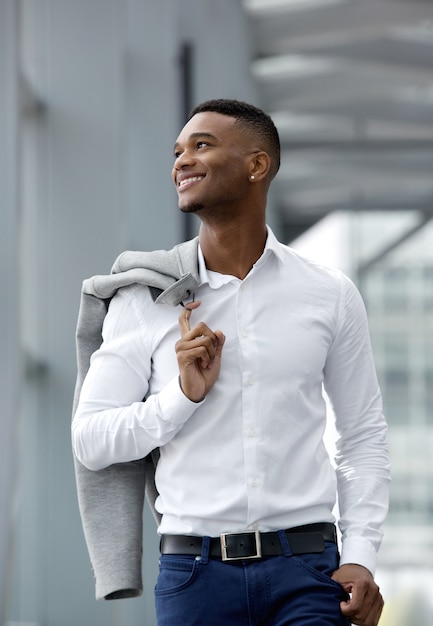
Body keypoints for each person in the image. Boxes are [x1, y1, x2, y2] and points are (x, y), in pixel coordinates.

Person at [72, 99, 390, 626]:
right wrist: (181, 398)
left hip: (309, 573)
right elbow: (91, 439)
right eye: (177, 151)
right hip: (195, 576)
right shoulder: (144, 300)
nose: (181, 161)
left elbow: (362, 436)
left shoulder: (329, 294)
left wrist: (360, 556)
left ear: (256, 165)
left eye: (202, 145)